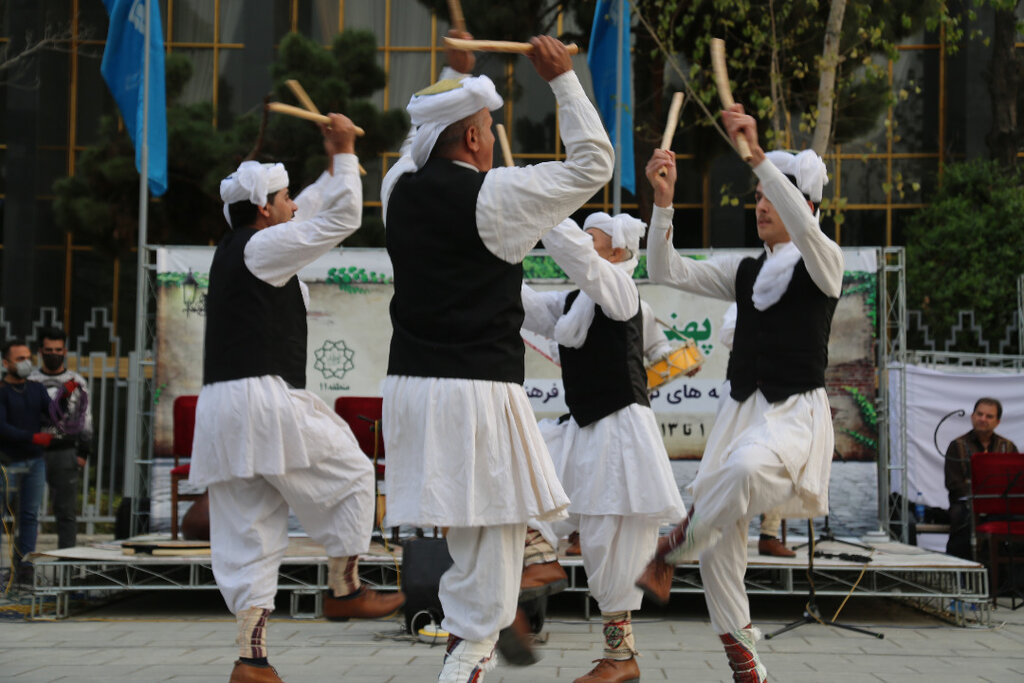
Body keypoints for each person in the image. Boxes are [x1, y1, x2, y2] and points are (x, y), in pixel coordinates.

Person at [381, 31, 613, 682]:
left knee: (484, 534)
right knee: (497, 545)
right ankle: (475, 645)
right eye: (487, 126)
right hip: (475, 391)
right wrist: (562, 78)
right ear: (473, 138)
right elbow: (593, 164)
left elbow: (415, 144)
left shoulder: (396, 189)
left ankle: (486, 618)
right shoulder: (495, 196)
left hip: (412, 387)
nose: (490, 137)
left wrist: (456, 82)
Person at [189, 113, 404, 683]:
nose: (292, 206)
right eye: (283, 199)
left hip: (223, 407)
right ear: (264, 209)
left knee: (250, 531)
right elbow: (341, 217)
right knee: (352, 472)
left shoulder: (237, 246)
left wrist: (335, 162)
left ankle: (251, 660)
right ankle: (344, 587)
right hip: (261, 399)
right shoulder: (264, 248)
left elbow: (310, 206)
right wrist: (346, 151)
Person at [636, 104, 843, 683]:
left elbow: (806, 230)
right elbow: (666, 270)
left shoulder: (824, 262)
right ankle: (746, 662)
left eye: (772, 196)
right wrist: (663, 203)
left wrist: (756, 156)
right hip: (739, 411)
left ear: (803, 204)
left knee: (746, 471)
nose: (760, 205)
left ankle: (671, 548)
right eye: (756, 196)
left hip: (792, 414)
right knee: (720, 544)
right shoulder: (746, 271)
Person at [522, 213, 686, 683]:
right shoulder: (574, 303)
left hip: (619, 432)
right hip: (583, 429)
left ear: (616, 251)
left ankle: (620, 656)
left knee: (607, 542)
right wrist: (492, 256)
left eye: (589, 239)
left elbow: (579, 260)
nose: (581, 245)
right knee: (527, 483)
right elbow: (526, 305)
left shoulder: (619, 290)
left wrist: (542, 209)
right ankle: (537, 564)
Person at [719, 303, 795, 560]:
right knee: (728, 460)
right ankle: (722, 531)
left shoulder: (790, 305)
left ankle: (769, 534)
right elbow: (728, 335)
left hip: (777, 392)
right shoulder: (741, 303)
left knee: (779, 459)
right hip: (740, 393)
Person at [29, 327, 93, 549]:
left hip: (65, 452)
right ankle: (23, 563)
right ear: (40, 351)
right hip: (32, 452)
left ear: (65, 351)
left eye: (58, 350)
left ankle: (67, 564)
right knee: (27, 512)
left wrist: (83, 451)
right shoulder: (30, 380)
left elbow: (86, 417)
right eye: (49, 350)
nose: (53, 354)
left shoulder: (76, 381)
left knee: (66, 513)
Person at [0, 339, 57, 585]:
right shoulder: (2, 391)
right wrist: (32, 437)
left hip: (35, 460)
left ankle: (25, 568)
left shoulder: (36, 389)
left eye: (28, 357)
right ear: (6, 363)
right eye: (20, 359)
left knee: (29, 515)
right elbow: (2, 427)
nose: (26, 363)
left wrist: (65, 400)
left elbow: (53, 413)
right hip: (7, 461)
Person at [944, 398, 1018, 560]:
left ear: (997, 422)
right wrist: (979, 499)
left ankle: (1006, 570)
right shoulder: (957, 445)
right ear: (972, 416)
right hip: (966, 505)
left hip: (1000, 505)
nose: (983, 419)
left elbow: (1015, 483)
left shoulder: (1007, 447)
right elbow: (953, 484)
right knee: (962, 519)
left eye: (989, 416)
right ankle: (964, 568)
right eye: (980, 414)